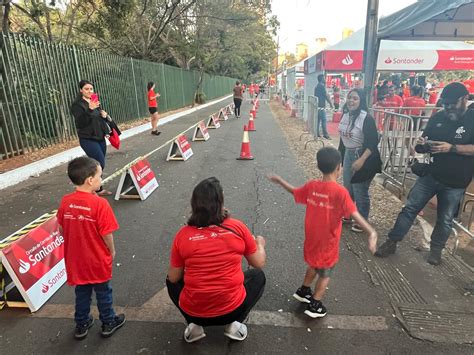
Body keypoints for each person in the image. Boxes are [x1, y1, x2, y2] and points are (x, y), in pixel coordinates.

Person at [268, 147, 377, 318]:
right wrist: (371, 232)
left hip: (312, 239)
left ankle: (303, 291)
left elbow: (295, 192)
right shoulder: (340, 192)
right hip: (328, 242)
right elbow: (355, 215)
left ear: (319, 166)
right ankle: (315, 304)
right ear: (339, 167)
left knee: (313, 263)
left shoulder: (312, 186)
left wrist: (281, 181)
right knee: (325, 273)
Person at [375, 82, 474, 265]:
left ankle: (436, 251)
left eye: (452, 103)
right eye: (445, 104)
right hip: (430, 175)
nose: (448, 107)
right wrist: (421, 144)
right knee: (409, 209)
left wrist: (451, 148)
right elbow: (421, 144)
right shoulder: (438, 117)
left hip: (456, 182)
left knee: (445, 219)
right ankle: (392, 241)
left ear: (465, 99)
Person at [167, 177, 266, 343]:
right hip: (232, 310)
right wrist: (260, 244)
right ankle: (234, 325)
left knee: (170, 280)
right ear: (221, 202)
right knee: (257, 276)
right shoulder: (236, 227)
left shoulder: (183, 235)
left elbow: (174, 277)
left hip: (194, 312)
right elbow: (258, 262)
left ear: (194, 204)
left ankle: (194, 326)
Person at [56, 157, 125, 339]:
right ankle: (108, 321)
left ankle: (81, 323)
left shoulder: (66, 201)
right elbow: (106, 233)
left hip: (75, 259)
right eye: (100, 176)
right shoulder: (100, 204)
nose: (101, 180)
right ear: (90, 180)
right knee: (103, 291)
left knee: (82, 292)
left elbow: (61, 227)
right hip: (96, 258)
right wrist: (112, 250)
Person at [338, 89, 381, 233]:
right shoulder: (345, 115)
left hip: (364, 156)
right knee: (348, 188)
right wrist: (340, 159)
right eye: (349, 98)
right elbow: (342, 140)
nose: (351, 101)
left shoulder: (366, 118)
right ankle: (349, 214)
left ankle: (362, 220)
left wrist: (361, 160)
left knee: (360, 190)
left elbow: (372, 142)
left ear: (361, 101)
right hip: (348, 154)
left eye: (355, 98)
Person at [70, 80, 112, 196]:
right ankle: (90, 189)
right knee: (99, 164)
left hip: (99, 138)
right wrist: (89, 109)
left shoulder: (94, 101)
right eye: (86, 89)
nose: (89, 91)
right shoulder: (77, 105)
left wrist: (104, 116)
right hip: (87, 139)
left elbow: (97, 119)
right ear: (81, 90)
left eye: (91, 89)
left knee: (99, 165)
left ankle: (98, 189)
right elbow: (80, 123)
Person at [314, 74, 334, 139]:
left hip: (317, 106)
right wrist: (331, 104)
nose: (325, 79)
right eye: (324, 78)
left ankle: (317, 133)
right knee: (324, 120)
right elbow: (326, 96)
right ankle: (325, 134)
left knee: (318, 120)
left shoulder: (316, 86)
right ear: (322, 79)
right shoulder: (322, 86)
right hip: (321, 106)